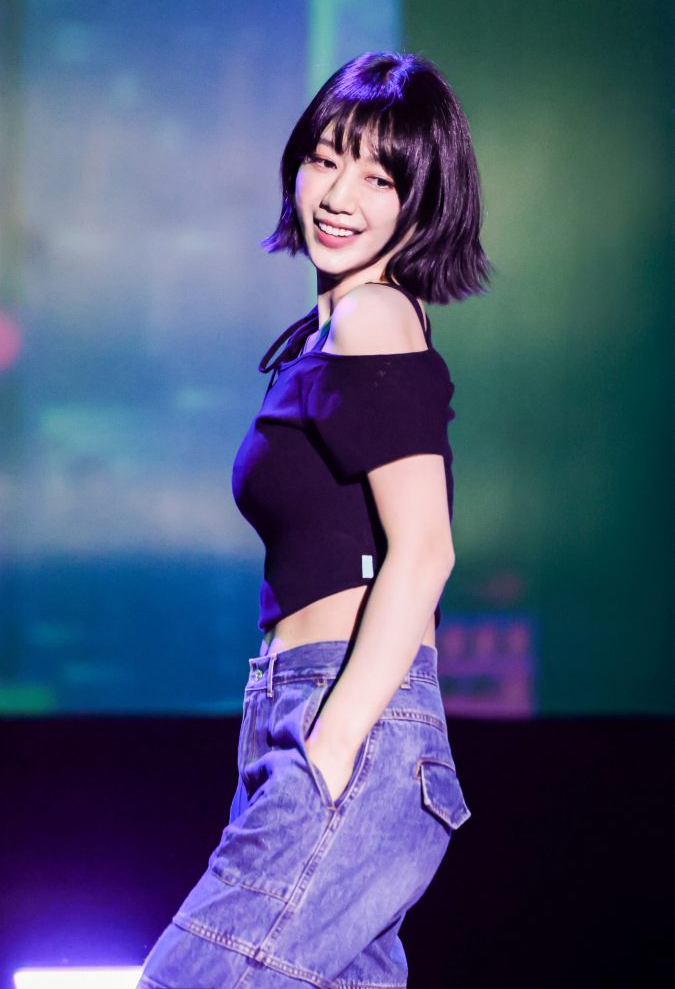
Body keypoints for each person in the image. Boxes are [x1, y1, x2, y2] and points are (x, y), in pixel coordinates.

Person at [136, 50, 493, 989]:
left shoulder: (375, 317)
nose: (337, 195)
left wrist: (330, 749)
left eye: (378, 178)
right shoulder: (330, 331)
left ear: (422, 202)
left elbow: (425, 550)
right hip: (303, 710)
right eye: (326, 159)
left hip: (348, 720)